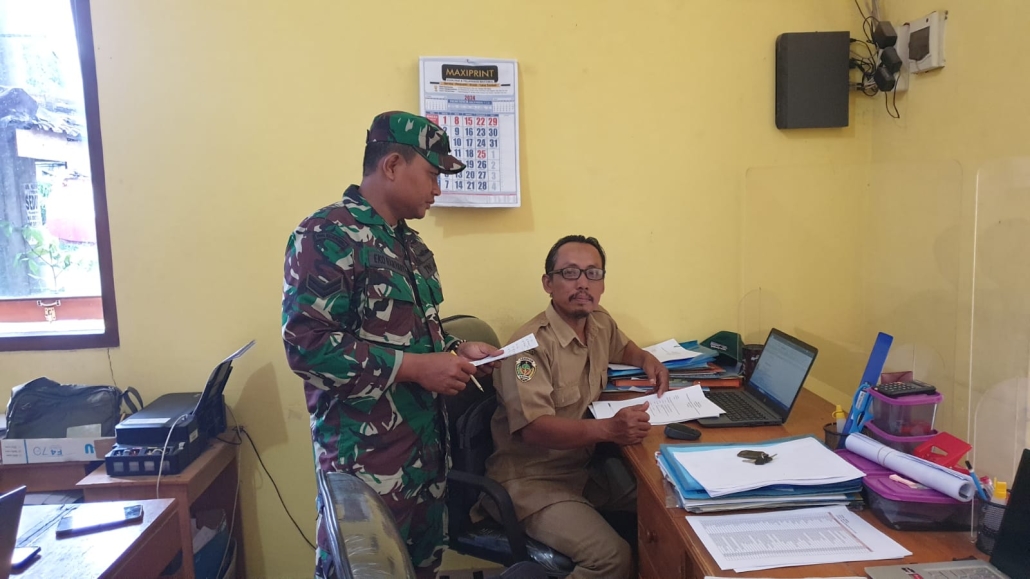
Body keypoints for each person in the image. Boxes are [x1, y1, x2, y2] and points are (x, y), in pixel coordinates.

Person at [282, 111, 501, 579]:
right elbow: (307, 346)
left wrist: (457, 350)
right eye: (432, 174)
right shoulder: (328, 234)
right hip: (365, 469)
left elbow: (417, 332)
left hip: (424, 466)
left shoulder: (412, 247)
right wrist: (418, 368)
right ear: (392, 165)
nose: (438, 189)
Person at [481, 235, 669, 579]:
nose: (583, 283)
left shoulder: (599, 322)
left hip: (582, 471)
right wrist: (609, 429)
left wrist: (646, 359)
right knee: (612, 558)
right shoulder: (527, 350)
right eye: (570, 273)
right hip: (532, 482)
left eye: (593, 273)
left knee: (667, 505)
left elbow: (622, 347)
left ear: (602, 284)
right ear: (548, 283)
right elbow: (534, 429)